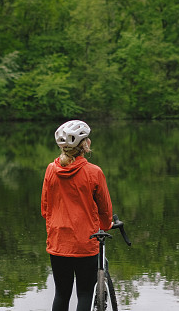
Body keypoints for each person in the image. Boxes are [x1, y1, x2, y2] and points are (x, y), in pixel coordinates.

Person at [41, 119, 113, 311]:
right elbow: (106, 211)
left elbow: (45, 209)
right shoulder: (94, 172)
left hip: (58, 242)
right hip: (85, 242)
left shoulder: (51, 170)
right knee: (84, 294)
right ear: (85, 145)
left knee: (61, 294)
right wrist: (106, 225)